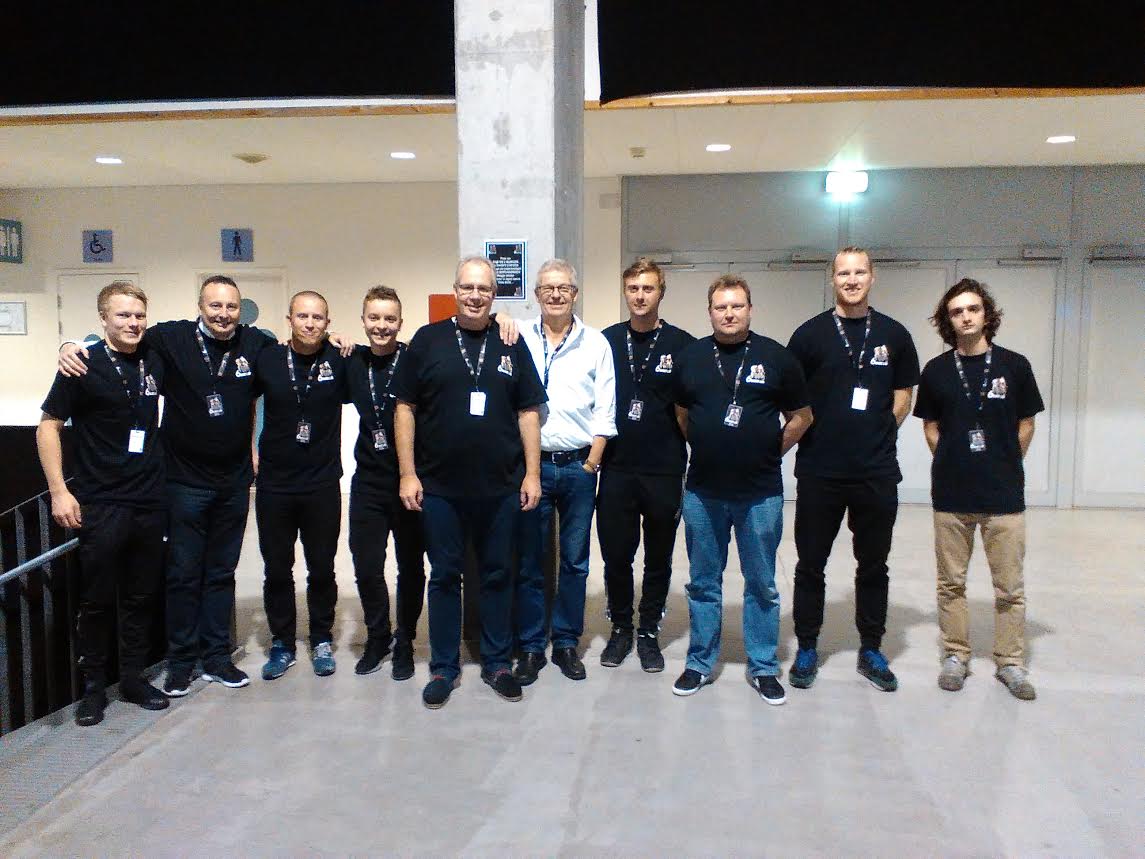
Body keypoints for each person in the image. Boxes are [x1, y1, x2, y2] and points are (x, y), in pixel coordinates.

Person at [56, 275, 343, 697]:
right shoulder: (170, 338)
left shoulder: (255, 344)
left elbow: (299, 348)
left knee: (221, 574)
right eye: (215, 306)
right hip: (183, 481)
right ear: (201, 306)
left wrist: (332, 338)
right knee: (183, 575)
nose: (223, 314)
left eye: (231, 307)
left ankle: (217, 657)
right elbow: (119, 337)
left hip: (234, 483)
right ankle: (181, 662)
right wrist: (69, 345)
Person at [394, 255, 545, 709]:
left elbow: (528, 411)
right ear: (455, 290)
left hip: (501, 486)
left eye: (484, 288)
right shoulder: (428, 340)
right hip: (440, 487)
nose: (475, 296)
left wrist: (532, 473)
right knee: (444, 577)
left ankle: (497, 663)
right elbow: (405, 407)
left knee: (498, 574)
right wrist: (407, 472)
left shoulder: (510, 341)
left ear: (494, 294)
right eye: (467, 287)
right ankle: (444, 667)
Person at [671, 274, 812, 705]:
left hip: (760, 493)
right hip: (703, 493)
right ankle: (699, 662)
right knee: (703, 583)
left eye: (736, 306)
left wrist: (770, 450)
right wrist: (708, 444)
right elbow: (682, 414)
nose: (729, 314)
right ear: (710, 312)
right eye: (721, 307)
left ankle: (764, 665)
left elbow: (802, 417)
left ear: (750, 309)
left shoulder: (777, 357)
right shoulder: (692, 357)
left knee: (762, 583)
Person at [785, 247, 920, 692]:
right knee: (810, 565)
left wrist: (882, 429)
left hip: (875, 472)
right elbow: (791, 397)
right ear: (833, 279)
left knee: (874, 565)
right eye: (843, 273)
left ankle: (871, 648)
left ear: (872, 277)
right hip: (819, 470)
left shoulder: (894, 334)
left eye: (859, 272)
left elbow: (904, 392)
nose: (852, 280)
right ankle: (807, 646)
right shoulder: (809, 335)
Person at [37, 281, 170, 725]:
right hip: (101, 501)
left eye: (139, 315)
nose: (132, 323)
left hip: (149, 499)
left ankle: (132, 678)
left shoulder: (154, 355)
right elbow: (48, 426)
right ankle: (93, 688)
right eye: (122, 315)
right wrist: (59, 491)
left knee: (140, 596)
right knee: (96, 601)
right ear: (103, 319)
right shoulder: (82, 363)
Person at [914, 278, 1043, 701]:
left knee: (1010, 588)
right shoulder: (936, 371)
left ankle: (1010, 662)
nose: (966, 317)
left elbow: (1027, 423)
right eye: (957, 312)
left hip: (1004, 497)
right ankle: (956, 655)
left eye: (973, 309)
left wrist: (1004, 462)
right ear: (947, 320)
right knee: (951, 584)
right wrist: (954, 460)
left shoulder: (1015, 366)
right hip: (951, 496)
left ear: (987, 314)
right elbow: (930, 427)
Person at [513, 259, 616, 685]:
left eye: (564, 288)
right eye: (547, 288)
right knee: (531, 562)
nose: (555, 295)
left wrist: (592, 463)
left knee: (574, 561)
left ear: (575, 293)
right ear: (537, 294)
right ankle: (532, 645)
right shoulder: (517, 336)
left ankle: (567, 642)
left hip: (578, 467)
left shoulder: (596, 344)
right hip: (532, 468)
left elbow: (605, 409)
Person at [597, 258, 694, 672]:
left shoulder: (683, 344)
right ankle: (621, 627)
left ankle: (649, 630)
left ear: (661, 292)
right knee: (616, 556)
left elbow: (693, 406)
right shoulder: (606, 341)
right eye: (633, 288)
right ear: (625, 292)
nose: (640, 296)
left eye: (648, 288)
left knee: (658, 557)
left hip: (664, 469)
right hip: (617, 468)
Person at [254, 291, 349, 680]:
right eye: (302, 316)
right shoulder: (268, 358)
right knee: (277, 568)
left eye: (317, 317)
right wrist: (249, 449)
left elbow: (390, 355)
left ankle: (321, 638)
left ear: (328, 323)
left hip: (321, 484)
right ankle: (282, 642)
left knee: (322, 568)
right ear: (289, 319)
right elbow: (241, 400)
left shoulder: (340, 359)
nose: (310, 323)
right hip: (274, 485)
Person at [344, 286, 425, 680]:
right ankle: (378, 636)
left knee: (411, 566)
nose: (381, 326)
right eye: (374, 318)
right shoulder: (351, 361)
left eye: (389, 319)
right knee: (367, 565)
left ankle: (405, 639)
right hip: (369, 483)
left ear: (400, 322)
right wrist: (331, 337)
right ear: (363, 321)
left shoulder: (414, 361)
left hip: (410, 482)